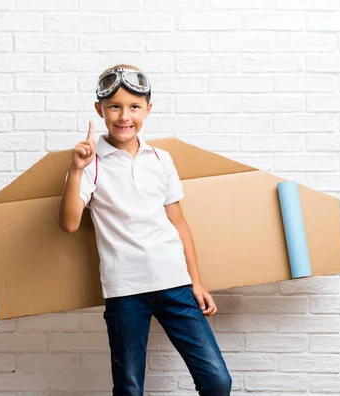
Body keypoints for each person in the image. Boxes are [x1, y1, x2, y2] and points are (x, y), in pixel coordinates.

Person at [58, 64, 232, 396]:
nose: (125, 116)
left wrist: (196, 282)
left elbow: (178, 223)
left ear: (148, 109)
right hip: (125, 291)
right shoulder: (90, 162)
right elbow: (68, 224)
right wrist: (76, 169)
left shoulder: (161, 159)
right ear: (100, 110)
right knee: (129, 389)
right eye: (115, 107)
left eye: (134, 107)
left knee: (217, 381)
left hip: (175, 283)